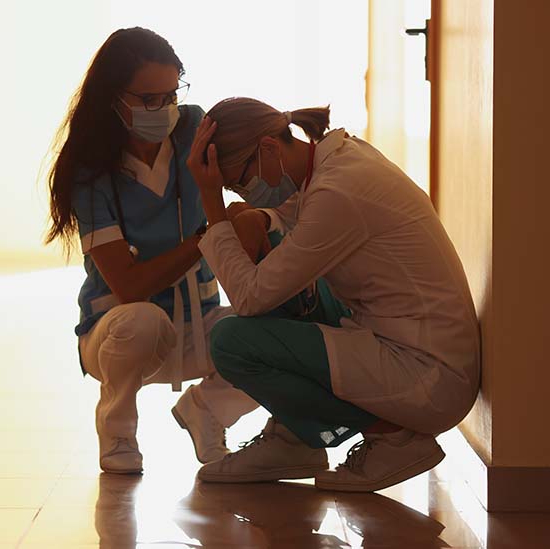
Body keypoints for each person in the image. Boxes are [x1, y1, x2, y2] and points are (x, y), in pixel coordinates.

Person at [185, 97, 481, 492]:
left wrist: (212, 204)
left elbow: (250, 297)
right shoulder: (340, 160)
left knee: (231, 340)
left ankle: (393, 437)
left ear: (269, 149)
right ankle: (295, 440)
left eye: (238, 181)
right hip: (409, 346)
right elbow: (293, 217)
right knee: (280, 267)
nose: (242, 192)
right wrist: (254, 217)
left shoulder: (338, 191)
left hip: (427, 374)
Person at [44, 29, 259, 474]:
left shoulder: (194, 130)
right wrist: (209, 236)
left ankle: (208, 411)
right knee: (140, 319)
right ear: (112, 97)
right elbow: (129, 285)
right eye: (146, 99)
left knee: (279, 333)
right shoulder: (89, 172)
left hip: (199, 326)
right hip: (119, 335)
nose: (161, 111)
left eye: (170, 95)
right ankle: (118, 432)